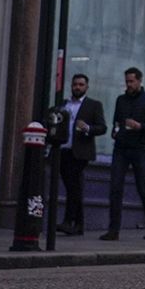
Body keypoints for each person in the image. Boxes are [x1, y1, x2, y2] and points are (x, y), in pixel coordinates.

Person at [101, 67, 145, 240]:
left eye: (132, 81)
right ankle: (113, 230)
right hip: (121, 147)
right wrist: (116, 130)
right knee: (115, 187)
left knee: (143, 187)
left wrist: (140, 126)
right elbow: (116, 121)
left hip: (141, 147)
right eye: (127, 81)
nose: (129, 84)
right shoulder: (121, 100)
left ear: (139, 81)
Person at [49, 73, 105, 236]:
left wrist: (88, 128)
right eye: (75, 84)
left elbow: (102, 127)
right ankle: (78, 224)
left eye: (81, 85)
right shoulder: (63, 105)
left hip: (80, 152)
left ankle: (68, 221)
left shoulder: (93, 105)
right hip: (63, 150)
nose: (77, 87)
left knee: (73, 186)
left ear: (87, 87)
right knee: (73, 187)